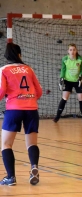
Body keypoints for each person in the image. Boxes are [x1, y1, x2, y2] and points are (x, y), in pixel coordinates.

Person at [0, 43, 42, 185]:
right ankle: (34, 167)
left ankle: (10, 177)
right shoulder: (28, 69)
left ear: (6, 56)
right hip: (32, 109)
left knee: (6, 144)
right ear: (19, 55)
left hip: (14, 109)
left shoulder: (4, 70)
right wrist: (28, 98)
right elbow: (39, 91)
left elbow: (1, 91)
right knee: (32, 143)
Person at [53, 43, 82, 123]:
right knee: (64, 98)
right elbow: (63, 69)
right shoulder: (65, 59)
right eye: (70, 50)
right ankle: (57, 117)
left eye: (74, 50)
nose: (72, 51)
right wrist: (61, 78)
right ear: (68, 51)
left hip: (77, 81)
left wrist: (80, 76)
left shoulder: (80, 59)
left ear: (76, 51)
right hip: (67, 81)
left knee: (81, 98)